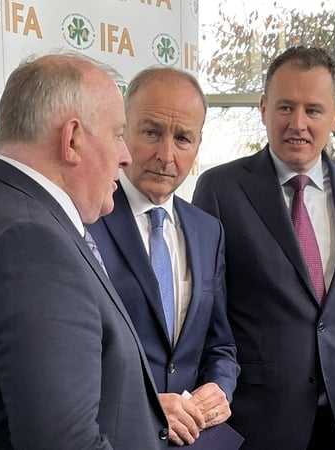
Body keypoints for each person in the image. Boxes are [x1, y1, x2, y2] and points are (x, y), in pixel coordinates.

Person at [0, 52, 169, 449]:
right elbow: (65, 443)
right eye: (117, 134)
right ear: (72, 140)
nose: (126, 156)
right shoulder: (31, 243)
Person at [192, 46, 335, 450]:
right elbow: (205, 317)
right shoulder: (220, 190)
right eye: (285, 107)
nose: (298, 123)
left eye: (313, 110)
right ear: (263, 108)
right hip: (256, 427)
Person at [88, 66, 240, 447]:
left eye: (183, 138)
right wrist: (144, 407)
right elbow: (68, 357)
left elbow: (220, 344)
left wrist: (220, 388)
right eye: (152, 133)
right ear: (124, 132)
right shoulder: (85, 218)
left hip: (194, 440)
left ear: (198, 145)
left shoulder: (208, 231)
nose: (166, 155)